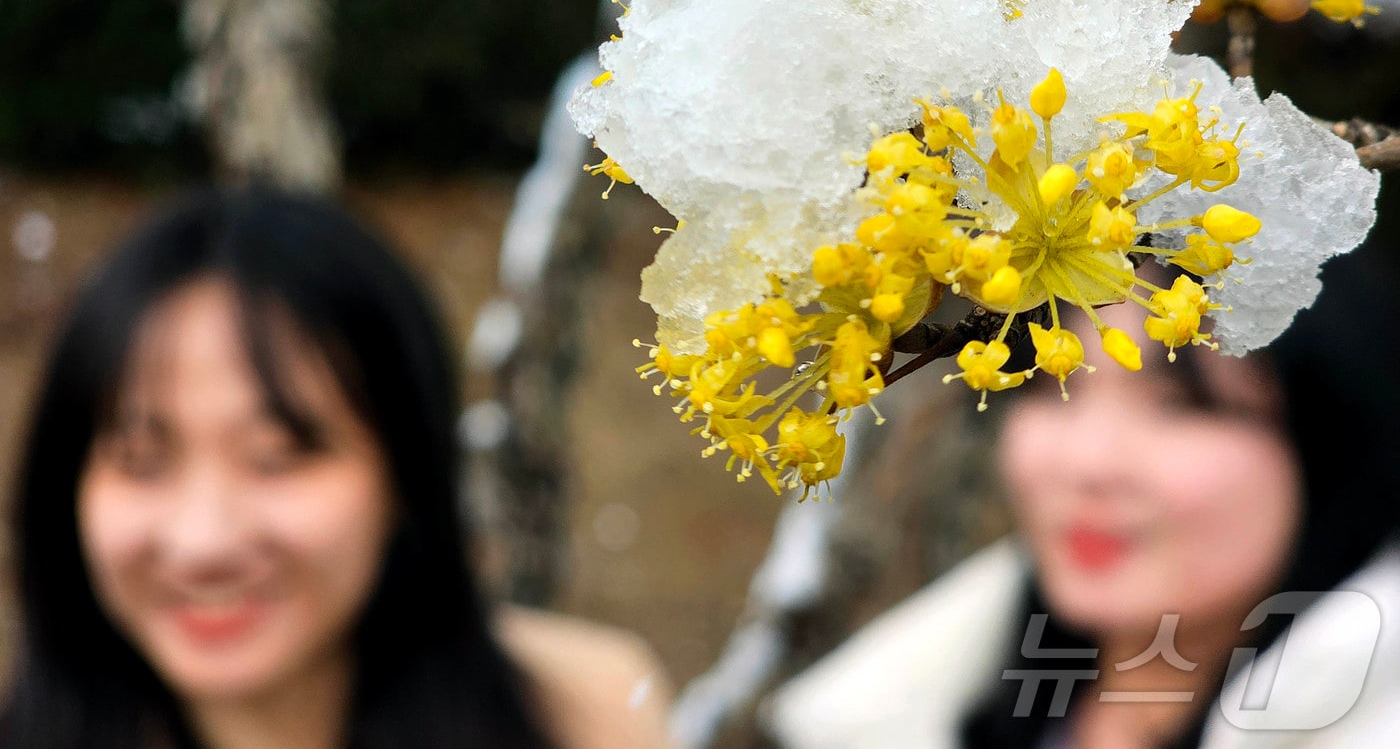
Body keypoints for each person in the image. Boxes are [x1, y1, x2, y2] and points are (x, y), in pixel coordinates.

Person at [0, 187, 676, 749]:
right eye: (142, 463)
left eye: (278, 458)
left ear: (404, 475)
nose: (204, 542)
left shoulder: (588, 714)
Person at [766, 250, 1400, 749]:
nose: (1089, 463)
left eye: (1180, 405)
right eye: (1054, 386)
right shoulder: (903, 700)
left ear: (1336, 440)